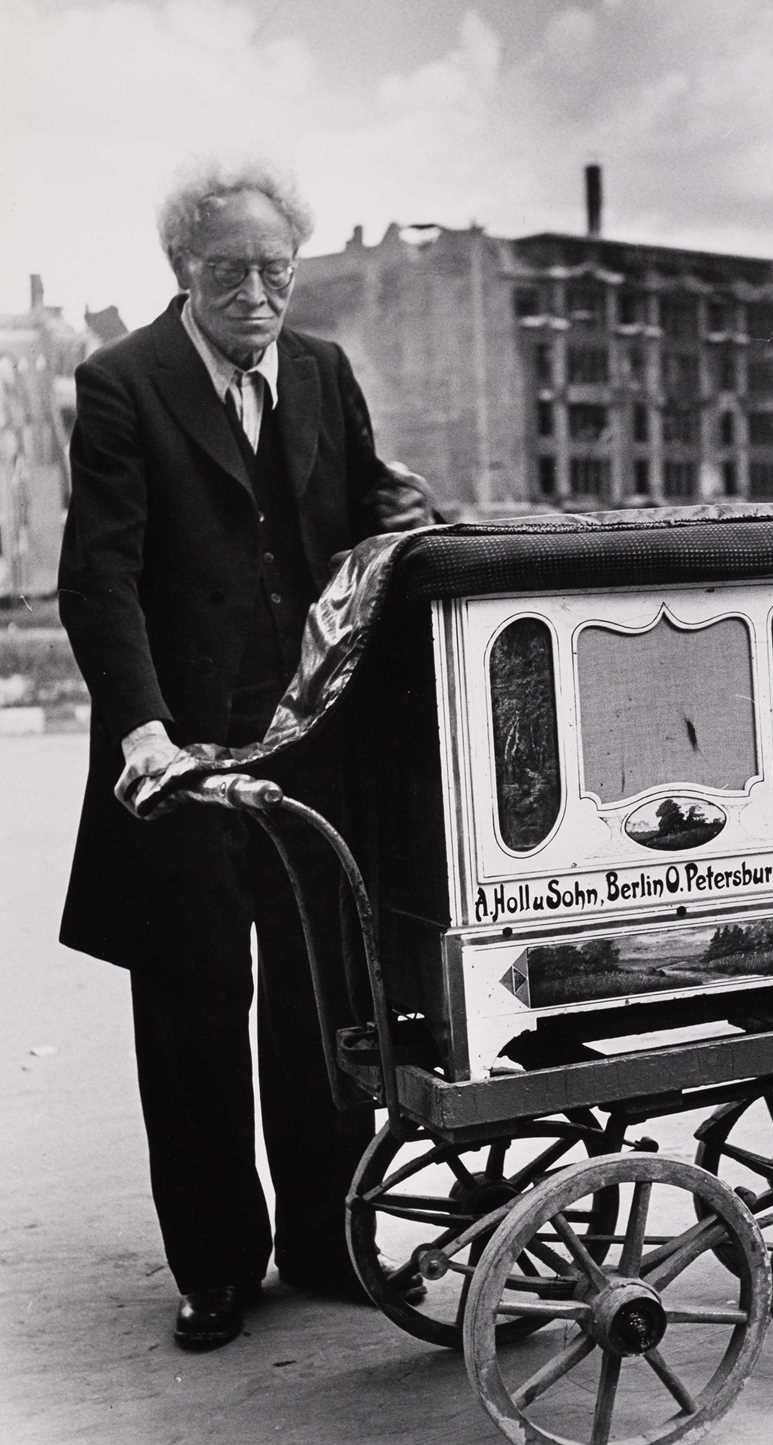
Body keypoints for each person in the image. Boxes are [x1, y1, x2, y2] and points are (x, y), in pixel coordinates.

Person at [57, 160, 434, 1350]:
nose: (258, 294)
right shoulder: (122, 385)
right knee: (194, 1012)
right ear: (183, 270)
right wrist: (144, 737)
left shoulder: (322, 371)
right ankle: (216, 1264)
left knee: (323, 1003)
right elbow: (99, 578)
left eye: (277, 269)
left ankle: (327, 1242)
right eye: (231, 272)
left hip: (312, 747)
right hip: (181, 760)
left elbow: (367, 520)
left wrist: (422, 529)